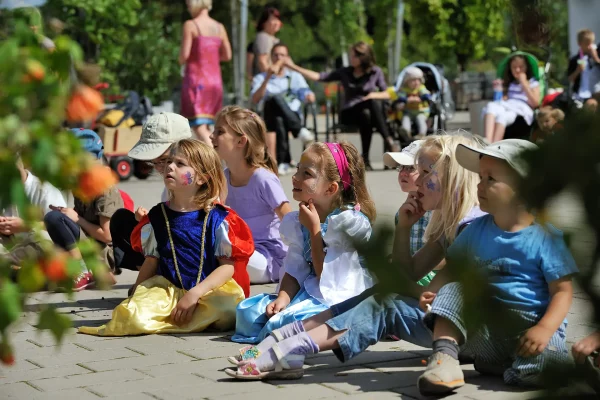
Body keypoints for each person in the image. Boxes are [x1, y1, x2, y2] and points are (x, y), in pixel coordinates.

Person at [222, 133, 486, 380]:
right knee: (378, 296)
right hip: (452, 328)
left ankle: (292, 348)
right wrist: (404, 228)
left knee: (383, 305)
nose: (416, 182)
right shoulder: (449, 228)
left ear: (453, 178)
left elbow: (429, 295)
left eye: (426, 173)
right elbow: (406, 276)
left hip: (472, 336)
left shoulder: (473, 227)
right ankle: (281, 341)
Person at [78, 139, 254, 336]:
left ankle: (186, 316)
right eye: (169, 161)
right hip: (167, 291)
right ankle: (186, 318)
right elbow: (151, 261)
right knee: (132, 315)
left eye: (180, 164)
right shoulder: (157, 217)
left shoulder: (217, 218)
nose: (169, 166)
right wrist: (136, 292)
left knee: (228, 310)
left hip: (207, 292)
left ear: (202, 178)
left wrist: (195, 294)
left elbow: (227, 266)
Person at [229, 141, 377, 350]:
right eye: (297, 169)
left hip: (338, 291)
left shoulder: (348, 222)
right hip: (309, 288)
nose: (295, 177)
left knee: (287, 323)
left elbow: (326, 276)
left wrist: (315, 230)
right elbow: (295, 264)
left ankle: (334, 329)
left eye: (306, 174)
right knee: (248, 313)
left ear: (331, 188)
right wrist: (282, 297)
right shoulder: (298, 219)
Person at [285, 41, 399, 170]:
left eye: (353, 56)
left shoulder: (375, 72)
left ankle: (366, 159)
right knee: (368, 108)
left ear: (363, 57)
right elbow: (319, 76)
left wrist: (372, 95)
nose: (351, 59)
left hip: (367, 114)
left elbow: (388, 93)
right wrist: (293, 66)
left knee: (367, 110)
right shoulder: (345, 72)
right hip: (349, 113)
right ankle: (389, 141)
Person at [211, 106, 291, 284]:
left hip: (267, 259)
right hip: (241, 250)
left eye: (220, 132)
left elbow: (291, 220)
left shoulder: (263, 179)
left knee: (231, 257)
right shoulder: (224, 177)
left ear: (241, 141)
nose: (211, 136)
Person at [109, 112, 192, 273]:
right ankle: (148, 271)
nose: (158, 168)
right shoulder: (171, 184)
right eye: (154, 161)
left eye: (163, 159)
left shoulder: (195, 182)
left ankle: (155, 273)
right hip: (169, 247)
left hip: (189, 254)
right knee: (121, 220)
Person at [44, 129, 123, 291]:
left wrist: (76, 219)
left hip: (105, 251)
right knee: (54, 220)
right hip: (88, 243)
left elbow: (107, 236)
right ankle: (89, 272)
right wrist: (67, 214)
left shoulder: (104, 187)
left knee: (54, 219)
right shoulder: (82, 184)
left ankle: (85, 271)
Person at [251, 43, 316, 175]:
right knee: (273, 100)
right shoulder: (261, 77)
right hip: (268, 118)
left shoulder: (295, 76)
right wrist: (268, 77)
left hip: (292, 115)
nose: (279, 58)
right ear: (271, 57)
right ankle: (299, 131)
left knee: (279, 118)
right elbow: (255, 99)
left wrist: (309, 96)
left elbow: (308, 95)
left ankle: (283, 162)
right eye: (275, 55)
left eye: (282, 55)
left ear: (287, 58)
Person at [383, 140, 436, 286]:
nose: (403, 173)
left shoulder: (435, 211)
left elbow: (443, 259)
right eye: (401, 167)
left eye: (410, 168)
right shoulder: (405, 210)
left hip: (430, 276)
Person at [179, 0, 232, 145]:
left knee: (199, 125)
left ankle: (213, 160)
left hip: (197, 81)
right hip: (215, 82)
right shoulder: (219, 27)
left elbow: (184, 55)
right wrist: (211, 58)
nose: (188, 7)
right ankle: (217, 157)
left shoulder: (190, 25)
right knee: (210, 125)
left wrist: (181, 60)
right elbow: (227, 55)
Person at [1, 159, 66, 267]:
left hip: (41, 251)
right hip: (13, 246)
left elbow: (64, 226)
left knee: (43, 239)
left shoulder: (45, 191)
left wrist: (26, 226)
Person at [483, 55, 540, 143]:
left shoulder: (532, 83)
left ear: (526, 67)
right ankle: (487, 141)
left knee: (503, 117)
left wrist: (524, 83)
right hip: (509, 106)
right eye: (514, 67)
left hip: (522, 109)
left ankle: (493, 146)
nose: (517, 70)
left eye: (521, 67)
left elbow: (535, 103)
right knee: (491, 106)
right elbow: (505, 99)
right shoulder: (510, 83)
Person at [367, 67, 431, 139]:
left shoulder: (421, 88)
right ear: (407, 81)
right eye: (413, 80)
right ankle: (406, 131)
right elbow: (400, 98)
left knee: (421, 120)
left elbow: (427, 96)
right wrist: (407, 99)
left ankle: (421, 134)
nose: (416, 82)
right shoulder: (404, 89)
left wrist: (420, 98)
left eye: (418, 80)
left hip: (420, 111)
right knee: (405, 119)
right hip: (408, 111)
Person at [567, 29, 600, 112]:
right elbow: (570, 79)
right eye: (586, 44)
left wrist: (595, 58)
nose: (589, 47)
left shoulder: (596, 57)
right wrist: (578, 71)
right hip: (580, 94)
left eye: (591, 43)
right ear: (580, 44)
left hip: (596, 93)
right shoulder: (575, 60)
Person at [251, 7, 283, 77]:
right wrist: (272, 78)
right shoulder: (263, 37)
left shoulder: (274, 39)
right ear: (264, 22)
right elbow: (262, 62)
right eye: (273, 19)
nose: (276, 23)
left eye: (278, 19)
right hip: (267, 81)